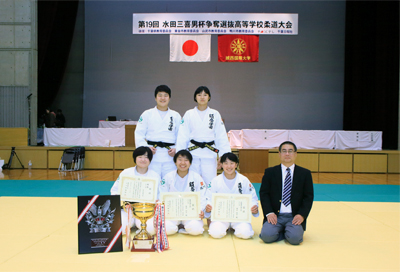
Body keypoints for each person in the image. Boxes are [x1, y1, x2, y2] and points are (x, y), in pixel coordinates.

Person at [259, 141, 314, 245]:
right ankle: (285, 232)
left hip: (294, 216)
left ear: (295, 154)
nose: (287, 154)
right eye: (284, 151)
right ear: (279, 154)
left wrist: (302, 215)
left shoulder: (305, 173)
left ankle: (289, 232)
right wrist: (269, 213)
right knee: (266, 237)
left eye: (290, 151)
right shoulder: (270, 172)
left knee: (295, 239)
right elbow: (264, 193)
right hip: (275, 215)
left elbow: (308, 197)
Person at [176, 86, 231, 187]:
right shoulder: (189, 114)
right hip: (193, 153)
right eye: (199, 95)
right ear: (195, 97)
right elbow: (182, 136)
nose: (202, 97)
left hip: (209, 154)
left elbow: (221, 136)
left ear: (209, 97)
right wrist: (180, 155)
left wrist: (224, 156)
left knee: (210, 183)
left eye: (205, 95)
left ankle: (209, 202)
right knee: (192, 182)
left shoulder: (215, 114)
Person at [207, 152, 259, 239]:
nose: (229, 166)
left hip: (239, 217)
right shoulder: (215, 181)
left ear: (236, 165)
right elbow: (208, 197)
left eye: (232, 163)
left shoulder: (244, 180)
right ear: (222, 165)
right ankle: (224, 227)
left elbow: (252, 197)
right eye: (226, 163)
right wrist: (209, 207)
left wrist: (254, 207)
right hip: (221, 217)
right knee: (215, 233)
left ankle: (236, 228)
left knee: (245, 234)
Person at [110, 146, 161, 235]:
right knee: (119, 230)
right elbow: (114, 190)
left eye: (146, 157)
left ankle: (138, 227)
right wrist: (122, 202)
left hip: (144, 210)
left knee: (150, 230)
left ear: (150, 160)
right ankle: (131, 223)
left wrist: (156, 202)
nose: (143, 160)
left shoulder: (155, 176)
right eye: (140, 157)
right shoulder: (125, 173)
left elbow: (159, 194)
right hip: (127, 209)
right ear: (135, 158)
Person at [135, 85, 181, 179]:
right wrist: (146, 149)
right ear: (155, 98)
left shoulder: (175, 115)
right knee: (152, 182)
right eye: (160, 95)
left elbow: (181, 136)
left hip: (170, 156)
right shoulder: (147, 114)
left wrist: (177, 149)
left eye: (165, 95)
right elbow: (138, 134)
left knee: (170, 183)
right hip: (152, 156)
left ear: (169, 98)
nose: (163, 98)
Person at [159, 149, 209, 235]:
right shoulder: (168, 177)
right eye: (180, 159)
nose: (183, 163)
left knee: (196, 230)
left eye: (186, 160)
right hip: (172, 213)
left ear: (190, 163)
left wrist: (200, 210)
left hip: (190, 213)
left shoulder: (196, 178)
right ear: (175, 162)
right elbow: (161, 194)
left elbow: (202, 196)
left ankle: (183, 228)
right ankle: (177, 227)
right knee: (166, 230)